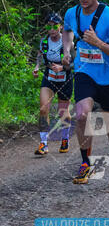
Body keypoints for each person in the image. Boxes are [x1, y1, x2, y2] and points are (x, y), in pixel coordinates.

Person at [62, 0, 109, 187]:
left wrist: (98, 42)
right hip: (84, 72)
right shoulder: (72, 13)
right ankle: (85, 163)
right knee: (81, 114)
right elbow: (67, 31)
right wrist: (66, 50)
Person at [32, 12, 73, 156]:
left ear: (61, 27)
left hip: (65, 79)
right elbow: (39, 55)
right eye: (49, 26)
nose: (52, 29)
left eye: (55, 26)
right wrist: (37, 66)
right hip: (49, 78)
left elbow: (76, 62)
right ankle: (43, 143)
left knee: (63, 112)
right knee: (43, 109)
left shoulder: (68, 42)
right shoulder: (44, 41)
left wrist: (63, 67)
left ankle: (65, 139)